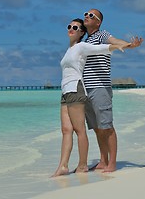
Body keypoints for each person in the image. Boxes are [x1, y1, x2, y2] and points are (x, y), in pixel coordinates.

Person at [52, 18, 130, 177]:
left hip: (76, 88)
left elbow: (102, 48)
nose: (71, 29)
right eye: (69, 26)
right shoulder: (69, 50)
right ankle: (63, 166)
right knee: (66, 130)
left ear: (81, 32)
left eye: (75, 27)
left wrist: (122, 45)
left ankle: (82, 165)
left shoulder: (82, 46)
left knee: (80, 130)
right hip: (65, 91)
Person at [83, 9, 143, 173]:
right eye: (85, 14)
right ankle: (103, 160)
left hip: (100, 87)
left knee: (107, 126)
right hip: (86, 89)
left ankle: (112, 163)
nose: (86, 17)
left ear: (98, 22)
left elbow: (115, 41)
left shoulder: (102, 35)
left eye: (91, 16)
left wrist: (129, 45)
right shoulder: (86, 40)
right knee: (96, 127)